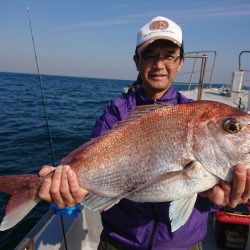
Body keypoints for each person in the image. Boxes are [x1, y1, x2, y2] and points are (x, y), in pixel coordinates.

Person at [39, 16, 250, 250]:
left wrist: (215, 201)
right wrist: (70, 188)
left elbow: (199, 194)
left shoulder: (193, 112)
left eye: (169, 55)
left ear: (180, 62)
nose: (159, 64)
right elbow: (91, 168)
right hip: (120, 243)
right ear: (137, 61)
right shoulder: (115, 114)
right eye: (150, 55)